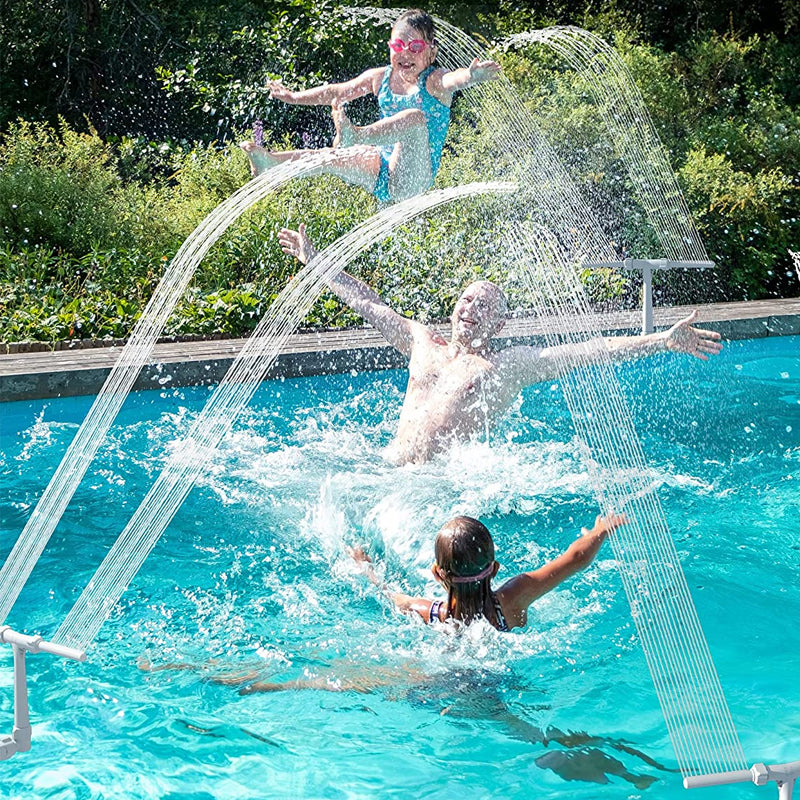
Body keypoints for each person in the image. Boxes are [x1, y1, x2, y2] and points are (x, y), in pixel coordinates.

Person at [277, 224, 723, 464]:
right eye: (467, 298)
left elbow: (591, 351)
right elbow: (368, 304)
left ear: (500, 322)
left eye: (484, 305)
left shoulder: (504, 366)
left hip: (437, 489)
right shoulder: (421, 341)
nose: (471, 307)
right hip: (387, 470)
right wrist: (316, 263)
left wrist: (661, 340)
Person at [239, 9, 501, 203]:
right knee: (328, 157)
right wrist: (294, 97)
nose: (405, 53)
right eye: (398, 45)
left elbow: (453, 79)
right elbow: (335, 91)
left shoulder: (433, 81)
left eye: (416, 46)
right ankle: (273, 164)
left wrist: (471, 76)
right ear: (389, 47)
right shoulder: (380, 78)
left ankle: (357, 135)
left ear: (431, 52)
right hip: (381, 173)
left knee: (414, 120)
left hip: (414, 178)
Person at [351, 512, 626, 631]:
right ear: (494, 569)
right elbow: (576, 558)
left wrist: (365, 566)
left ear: (437, 573)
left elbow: (388, 594)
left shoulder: (427, 613)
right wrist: (600, 530)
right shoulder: (514, 598)